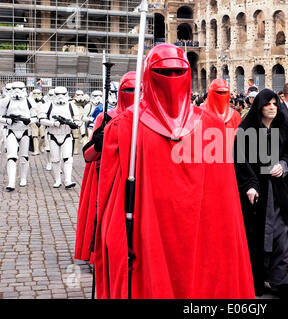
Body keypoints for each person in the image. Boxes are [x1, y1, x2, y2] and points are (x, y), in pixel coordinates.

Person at [93, 44, 254, 299]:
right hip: (148, 230)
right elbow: (112, 199)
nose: (171, 80)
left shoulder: (210, 125)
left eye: (178, 72)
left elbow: (223, 198)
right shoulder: (125, 126)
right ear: (149, 74)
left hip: (201, 230)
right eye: (163, 73)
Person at [234, 88, 288, 298]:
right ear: (259, 107)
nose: (272, 107)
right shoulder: (246, 129)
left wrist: (283, 165)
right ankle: (256, 279)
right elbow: (241, 160)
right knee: (256, 235)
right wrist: (250, 185)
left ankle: (281, 280)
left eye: (275, 104)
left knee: (282, 234)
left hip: (279, 191)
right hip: (257, 192)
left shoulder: (283, 125)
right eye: (267, 104)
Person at [75, 72, 136, 263]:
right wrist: (99, 143)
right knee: (104, 219)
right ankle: (100, 254)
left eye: (138, 90)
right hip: (108, 176)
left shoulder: (147, 119)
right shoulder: (106, 117)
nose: (133, 93)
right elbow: (88, 155)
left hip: (135, 177)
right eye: (129, 90)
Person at [39, 86, 80, 189]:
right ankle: (57, 180)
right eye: (58, 94)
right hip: (53, 135)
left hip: (66, 135)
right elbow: (41, 119)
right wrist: (53, 123)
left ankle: (67, 180)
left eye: (63, 94)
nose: (60, 97)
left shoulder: (71, 106)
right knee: (55, 159)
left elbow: (78, 120)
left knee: (68, 158)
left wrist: (73, 124)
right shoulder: (48, 106)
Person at [0, 82, 38, 191]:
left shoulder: (29, 101)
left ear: (24, 89)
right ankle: (11, 182)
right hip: (11, 130)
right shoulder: (6, 101)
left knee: (24, 157)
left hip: (25, 131)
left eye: (19, 88)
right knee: (11, 157)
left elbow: (36, 117)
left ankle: (23, 178)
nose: (17, 91)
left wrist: (29, 121)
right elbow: (0, 116)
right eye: (14, 89)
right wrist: (7, 120)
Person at [30, 89, 44, 155]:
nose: (36, 95)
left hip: (42, 120)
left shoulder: (44, 102)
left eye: (38, 93)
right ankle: (36, 150)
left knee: (43, 136)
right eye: (35, 93)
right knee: (34, 136)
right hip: (33, 120)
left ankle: (40, 146)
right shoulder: (30, 102)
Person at [72, 90, 86, 155]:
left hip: (83, 121)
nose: (80, 97)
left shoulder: (85, 103)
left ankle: (85, 150)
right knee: (75, 137)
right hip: (75, 121)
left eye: (81, 95)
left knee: (84, 136)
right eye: (78, 95)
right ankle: (75, 150)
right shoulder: (72, 103)